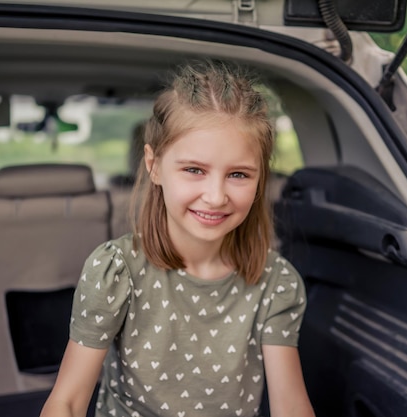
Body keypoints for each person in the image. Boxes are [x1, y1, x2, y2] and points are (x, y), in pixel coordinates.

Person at [40, 60, 315, 417]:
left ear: (261, 178)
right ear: (154, 166)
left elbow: (291, 406)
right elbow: (68, 402)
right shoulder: (117, 270)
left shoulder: (276, 283)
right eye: (194, 170)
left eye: (238, 174)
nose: (216, 196)